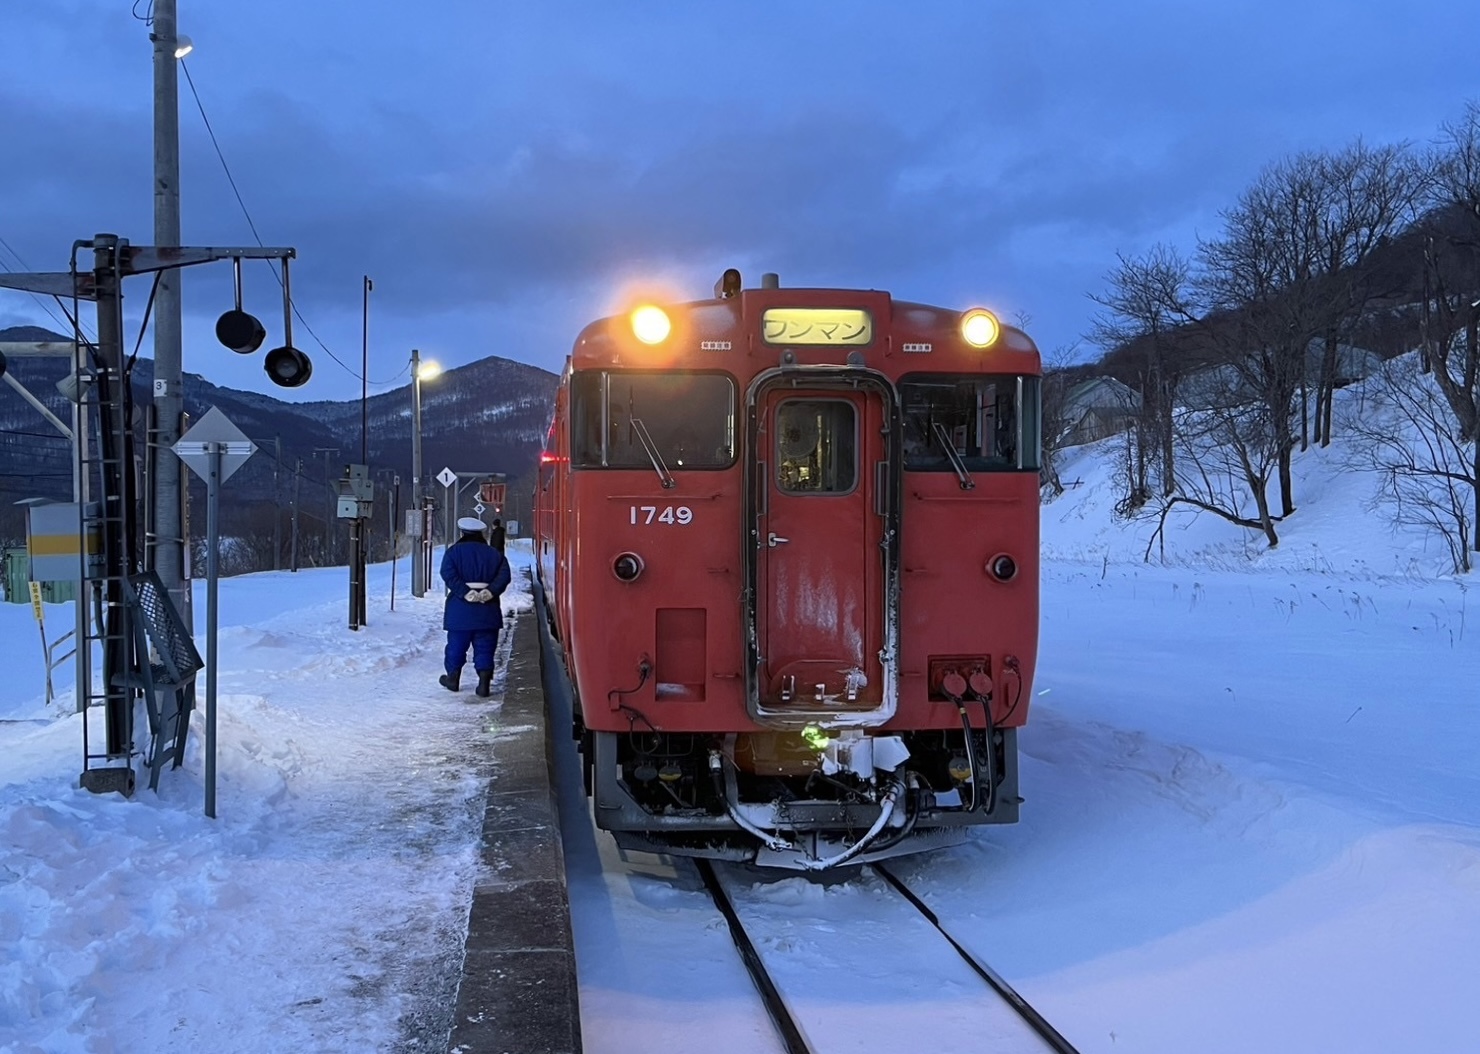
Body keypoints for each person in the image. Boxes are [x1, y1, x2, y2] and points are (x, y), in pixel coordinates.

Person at [439, 516, 512, 697]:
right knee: (485, 646)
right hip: (487, 610)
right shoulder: (494, 554)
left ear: (462, 533)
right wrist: (490, 592)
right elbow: (504, 576)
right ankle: (484, 683)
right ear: (481, 533)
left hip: (460, 609)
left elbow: (447, 574)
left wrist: (464, 592)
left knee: (456, 645)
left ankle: (453, 678)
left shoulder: (453, 553)